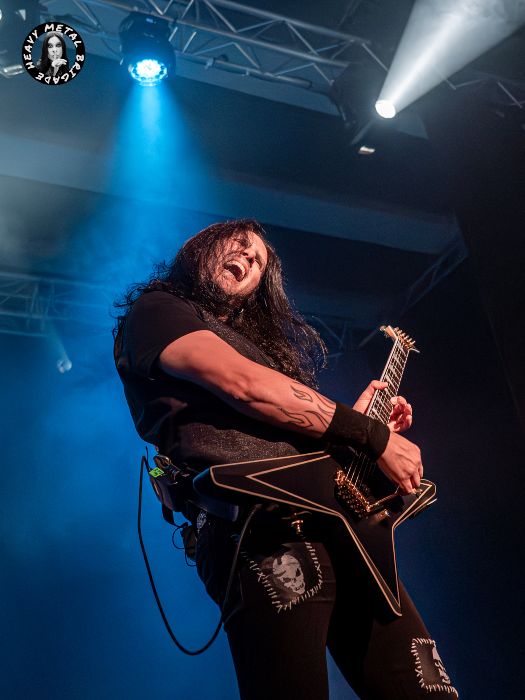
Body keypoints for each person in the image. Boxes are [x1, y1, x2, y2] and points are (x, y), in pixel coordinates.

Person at [114, 219, 458, 699]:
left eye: (259, 260)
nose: (248, 257)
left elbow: (283, 427)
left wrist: (358, 433)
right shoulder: (159, 310)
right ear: (198, 250)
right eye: (238, 245)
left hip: (346, 530)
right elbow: (244, 386)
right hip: (262, 527)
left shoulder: (260, 350)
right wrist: (371, 435)